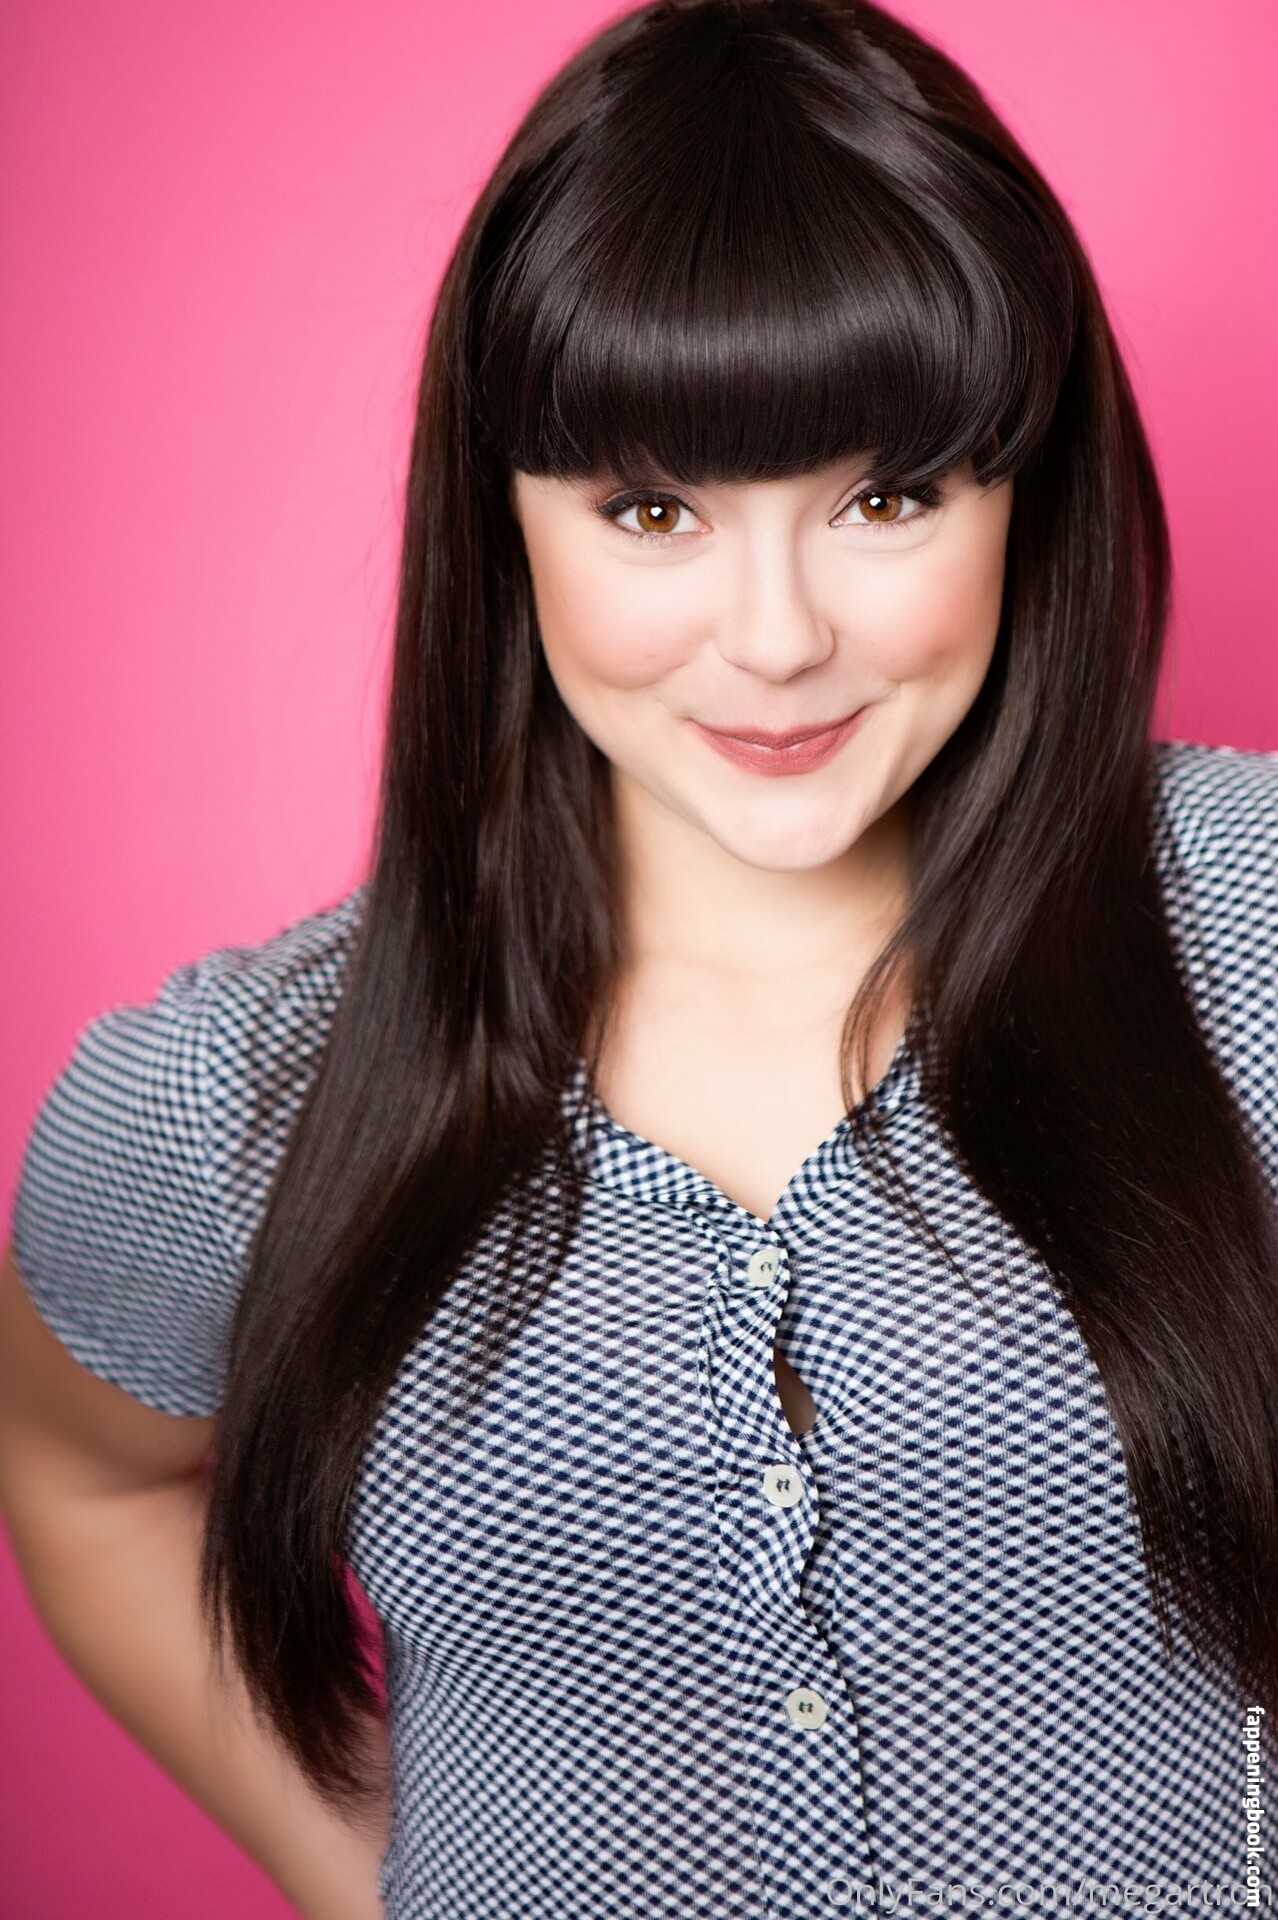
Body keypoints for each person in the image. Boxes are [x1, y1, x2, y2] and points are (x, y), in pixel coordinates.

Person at [1, 0, 1275, 1914]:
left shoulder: (1251, 931)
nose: (774, 640)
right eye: (651, 509)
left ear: (1028, 488)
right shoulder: (232, 1098)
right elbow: (85, 1476)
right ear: (502, 518)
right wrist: (365, 1876)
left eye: (886, 498)